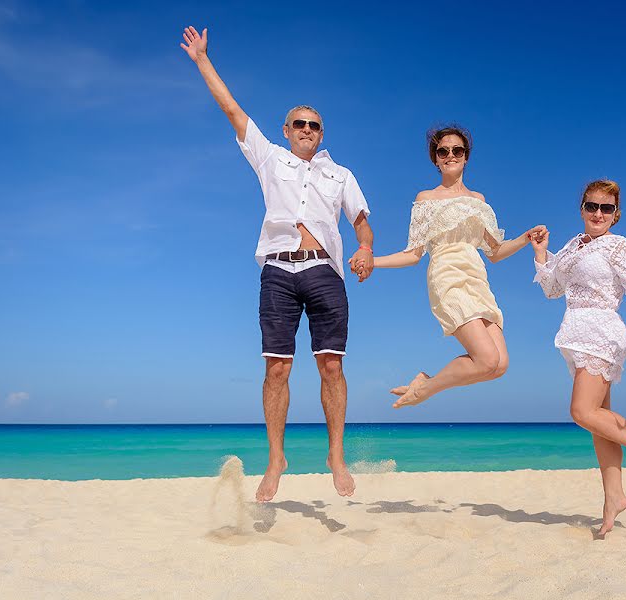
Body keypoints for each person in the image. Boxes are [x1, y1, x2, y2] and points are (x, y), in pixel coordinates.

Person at [180, 26, 374, 501]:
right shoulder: (269, 159)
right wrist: (203, 60)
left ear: (321, 133)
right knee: (277, 370)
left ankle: (336, 455)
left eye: (314, 124)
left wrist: (365, 247)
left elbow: (362, 220)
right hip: (278, 272)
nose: (307, 129)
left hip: (324, 271)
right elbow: (231, 109)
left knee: (331, 365)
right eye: (299, 123)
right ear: (286, 131)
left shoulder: (340, 173)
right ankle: (276, 459)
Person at [350, 126, 545, 408]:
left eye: (457, 150)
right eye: (444, 151)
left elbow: (495, 252)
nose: (451, 155)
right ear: (436, 159)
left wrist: (525, 239)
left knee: (499, 365)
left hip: (477, 276)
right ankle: (425, 390)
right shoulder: (426, 199)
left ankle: (424, 385)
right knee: (486, 358)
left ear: (466, 157)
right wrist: (373, 261)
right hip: (447, 275)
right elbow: (413, 254)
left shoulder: (479, 201)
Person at [530, 179, 626, 537]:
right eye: (592, 206)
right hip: (575, 332)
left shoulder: (618, 246)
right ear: (582, 209)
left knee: (582, 412)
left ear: (616, 215)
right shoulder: (571, 246)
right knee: (600, 421)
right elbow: (552, 290)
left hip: (602, 331)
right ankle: (614, 496)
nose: (598, 213)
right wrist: (541, 252)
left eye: (606, 208)